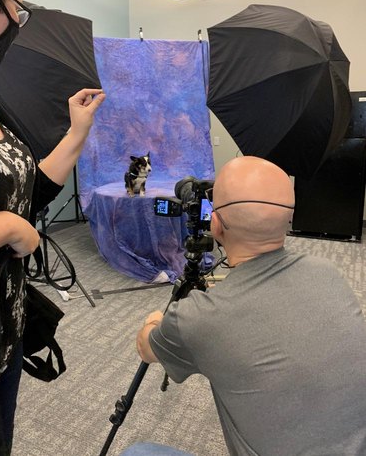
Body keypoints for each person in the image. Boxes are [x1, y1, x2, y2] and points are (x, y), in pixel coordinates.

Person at [127, 156, 366, 456]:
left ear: (215, 224)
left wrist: (154, 320)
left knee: (137, 453)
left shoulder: (197, 318)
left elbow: (145, 349)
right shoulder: (328, 272)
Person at [0, 0, 106, 454]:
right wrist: (8, 228)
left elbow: (28, 192)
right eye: (16, 5)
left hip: (5, 328)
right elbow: (14, 217)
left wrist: (77, 133)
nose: (18, 22)